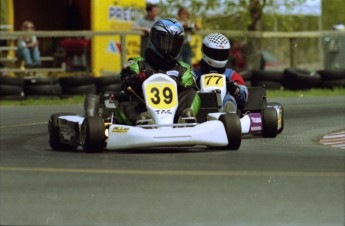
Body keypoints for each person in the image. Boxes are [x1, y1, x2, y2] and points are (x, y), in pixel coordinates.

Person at [117, 18, 200, 125]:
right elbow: (126, 81)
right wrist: (138, 79)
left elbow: (190, 87)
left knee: (192, 94)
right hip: (143, 108)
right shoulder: (137, 63)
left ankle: (185, 118)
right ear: (154, 40)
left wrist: (176, 84)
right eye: (166, 43)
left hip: (175, 112)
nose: (171, 47)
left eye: (175, 44)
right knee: (123, 105)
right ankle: (143, 121)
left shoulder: (182, 68)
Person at [193, 33, 248, 112]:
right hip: (199, 110)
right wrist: (193, 86)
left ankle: (229, 111)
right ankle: (188, 115)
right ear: (204, 50)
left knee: (229, 98)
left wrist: (235, 90)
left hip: (226, 117)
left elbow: (245, 95)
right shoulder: (193, 74)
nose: (218, 56)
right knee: (192, 97)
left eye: (222, 54)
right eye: (214, 53)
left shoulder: (231, 75)